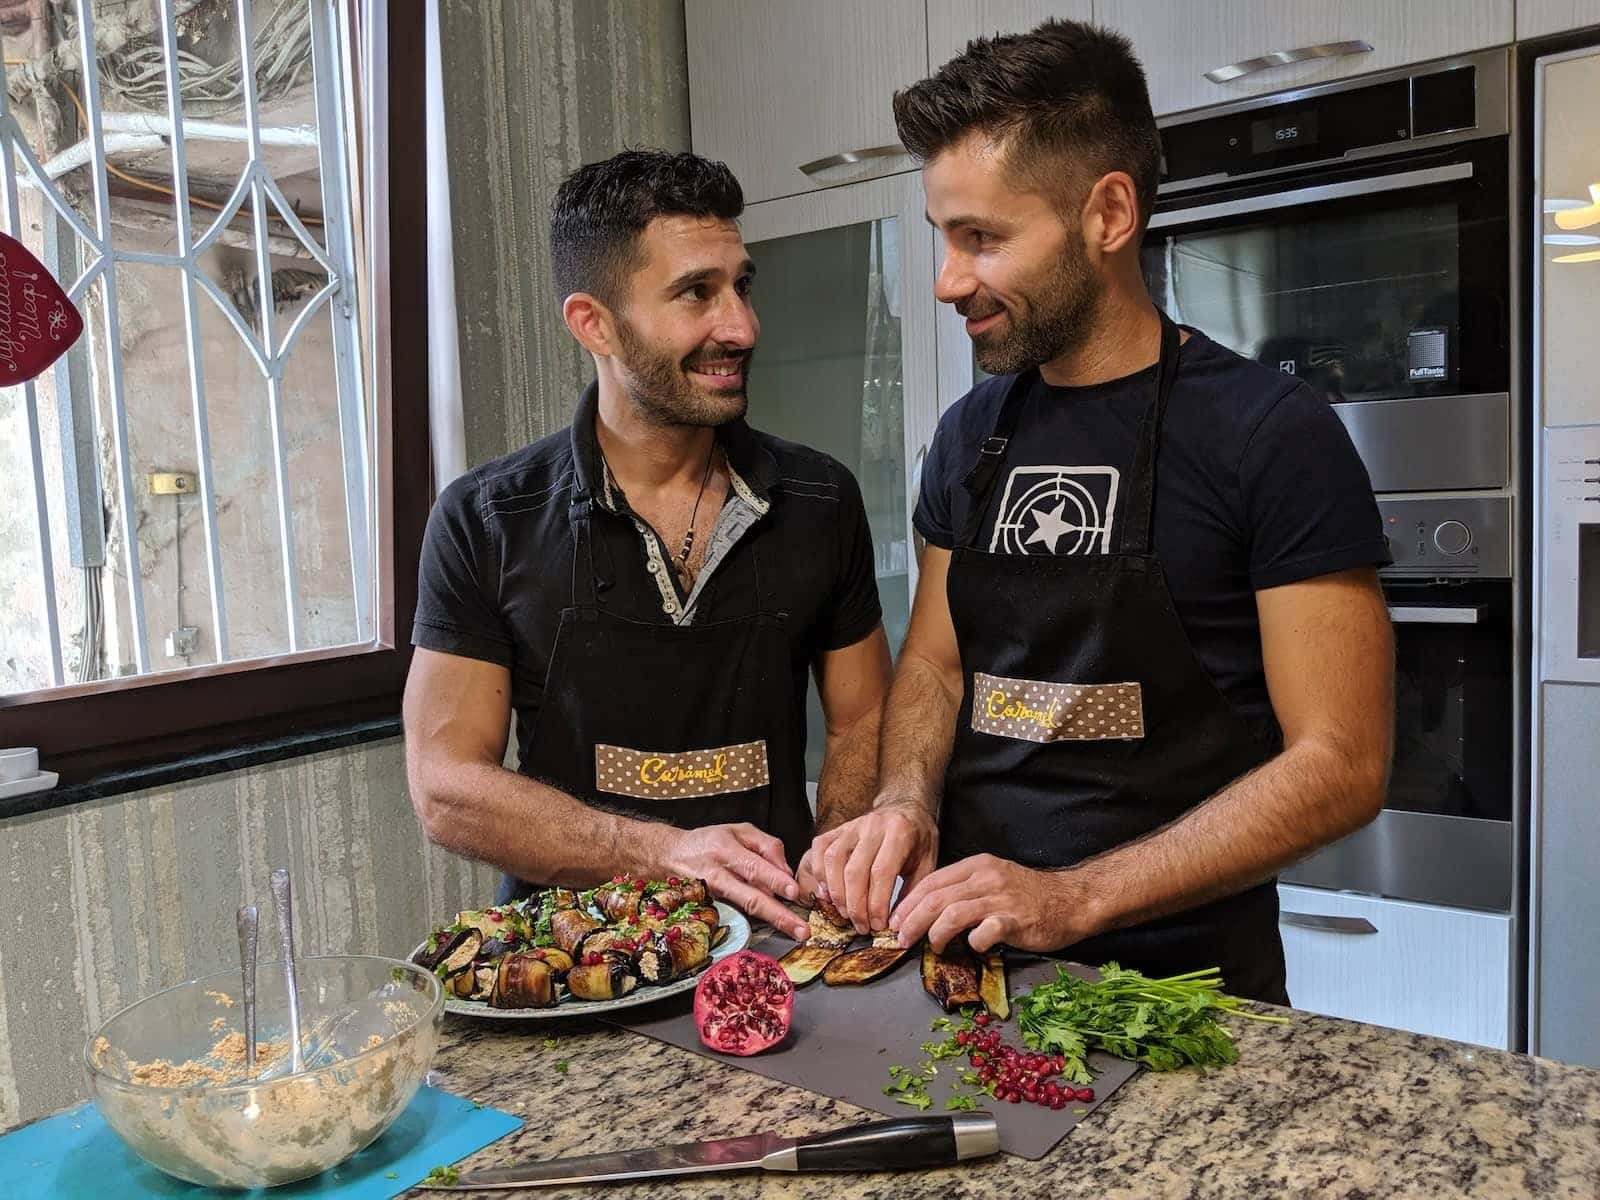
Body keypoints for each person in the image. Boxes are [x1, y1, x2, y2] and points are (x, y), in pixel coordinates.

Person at [802, 20, 1395, 1003]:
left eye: (981, 238)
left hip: (1183, 995)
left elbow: (1340, 764)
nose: (949, 280)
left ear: (1106, 213)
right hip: (973, 973)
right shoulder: (968, 435)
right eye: (942, 238)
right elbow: (940, 667)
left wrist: (1072, 898)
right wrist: (903, 802)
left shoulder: (1270, 434)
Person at [405, 149, 892, 941]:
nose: (740, 326)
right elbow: (447, 789)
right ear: (593, 323)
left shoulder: (820, 500)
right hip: (571, 960)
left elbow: (863, 717)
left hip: (777, 942)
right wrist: (664, 852)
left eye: (741, 286)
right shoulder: (485, 521)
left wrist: (834, 864)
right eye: (696, 293)